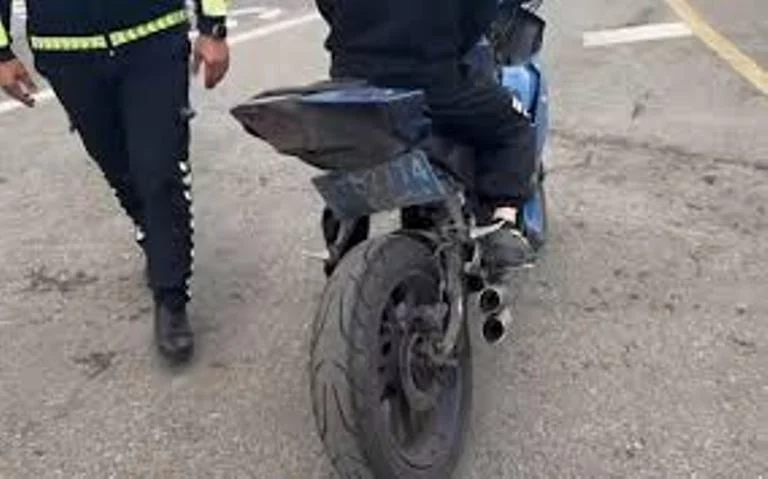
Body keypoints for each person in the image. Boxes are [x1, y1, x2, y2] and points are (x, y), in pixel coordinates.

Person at [0, 0, 230, 361]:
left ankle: (171, 296)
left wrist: (213, 26)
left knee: (159, 172)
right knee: (121, 173)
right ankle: (151, 233)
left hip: (153, 38)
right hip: (67, 53)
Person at [316, 0, 536, 272]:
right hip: (432, 83)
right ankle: (502, 224)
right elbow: (478, 15)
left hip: (352, 84)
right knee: (515, 126)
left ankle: (342, 242)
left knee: (353, 148)